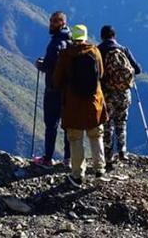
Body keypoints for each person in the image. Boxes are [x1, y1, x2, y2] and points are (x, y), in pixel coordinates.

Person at [53, 24, 107, 187]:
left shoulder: (65, 54)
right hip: (93, 103)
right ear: (85, 37)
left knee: (75, 139)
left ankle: (77, 175)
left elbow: (57, 80)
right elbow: (102, 74)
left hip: (73, 104)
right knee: (96, 135)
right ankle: (100, 169)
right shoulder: (95, 51)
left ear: (72, 37)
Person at [98, 25, 142, 169]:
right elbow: (138, 69)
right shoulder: (123, 50)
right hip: (124, 94)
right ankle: (122, 151)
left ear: (102, 36)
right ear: (114, 35)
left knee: (107, 125)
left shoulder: (99, 50)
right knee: (121, 122)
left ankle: (108, 157)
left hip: (107, 94)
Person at [33, 11, 72, 168]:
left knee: (51, 125)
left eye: (54, 22)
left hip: (53, 91)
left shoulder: (55, 43)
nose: (50, 24)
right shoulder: (72, 42)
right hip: (68, 93)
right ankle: (68, 159)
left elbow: (50, 66)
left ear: (62, 23)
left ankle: (48, 159)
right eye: (50, 21)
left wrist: (40, 65)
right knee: (68, 126)